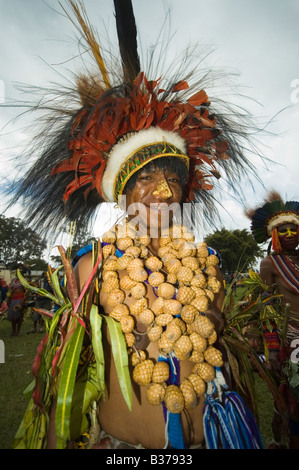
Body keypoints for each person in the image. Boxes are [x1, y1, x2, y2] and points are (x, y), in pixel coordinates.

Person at [11, 0, 266, 450]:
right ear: (121, 193)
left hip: (218, 437)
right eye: (146, 177)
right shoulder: (92, 267)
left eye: (172, 178)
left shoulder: (207, 265)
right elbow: (65, 375)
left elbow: (222, 355)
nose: (163, 191)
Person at [248, 191, 299, 449]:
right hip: (290, 337)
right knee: (295, 397)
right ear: (274, 235)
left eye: (294, 230)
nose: (290, 235)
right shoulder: (269, 264)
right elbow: (265, 306)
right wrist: (273, 349)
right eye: (284, 231)